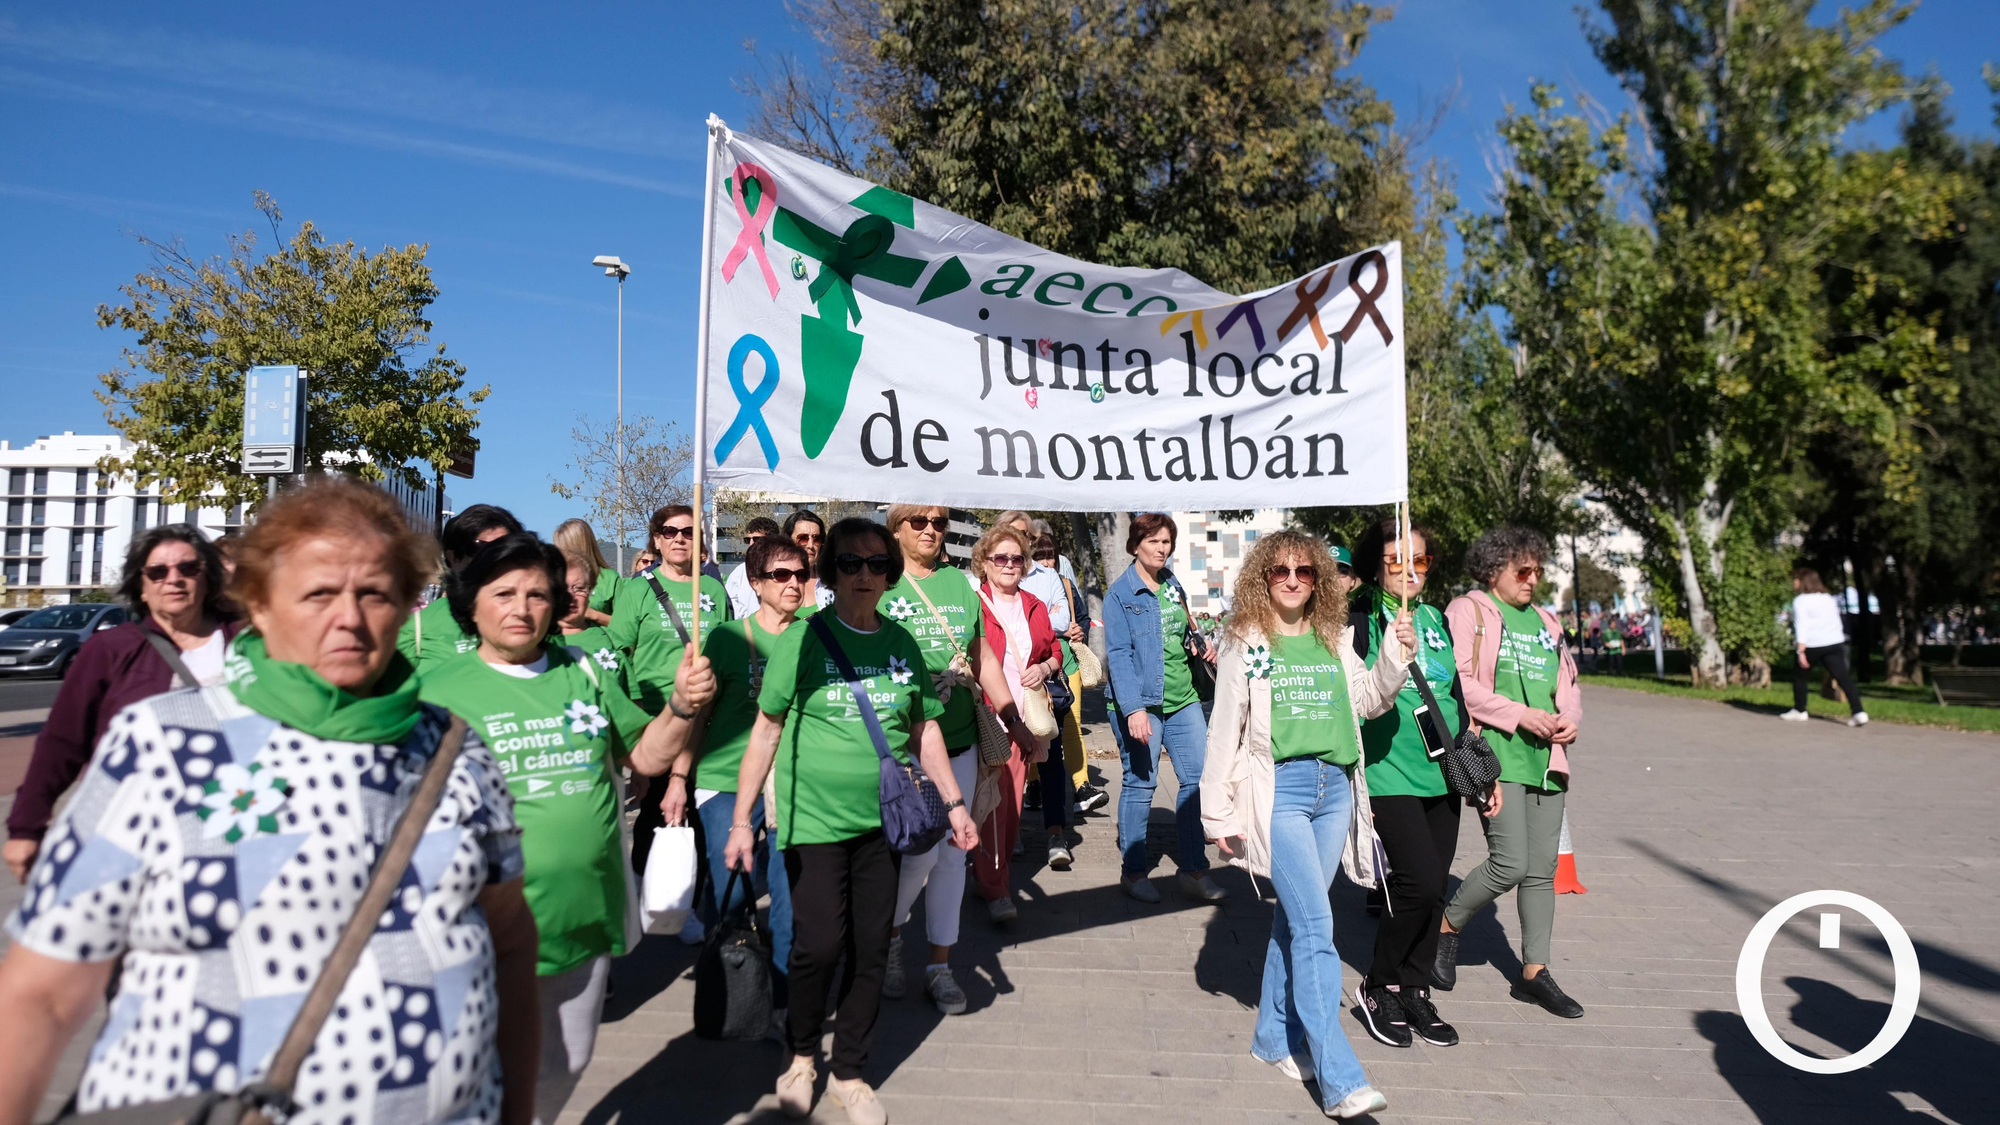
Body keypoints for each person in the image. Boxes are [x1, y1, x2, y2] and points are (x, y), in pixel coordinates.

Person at [0, 476, 539, 1125]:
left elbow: (510, 943)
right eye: (319, 593)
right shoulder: (161, 744)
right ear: (258, 605)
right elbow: (43, 995)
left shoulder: (454, 748)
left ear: (404, 605)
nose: (349, 616)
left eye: (374, 592)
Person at [418, 531, 690, 1124]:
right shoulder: (436, 693)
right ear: (472, 603)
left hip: (582, 916)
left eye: (538, 594)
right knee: (473, 1073)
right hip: (478, 928)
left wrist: (682, 708)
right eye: (504, 593)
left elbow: (642, 756)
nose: (521, 608)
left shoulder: (585, 671)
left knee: (567, 1061)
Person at [726, 517, 979, 1125]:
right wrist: (741, 820)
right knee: (818, 946)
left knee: (870, 949)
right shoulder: (803, 640)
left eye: (874, 563)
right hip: (811, 822)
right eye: (848, 562)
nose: (863, 574)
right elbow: (765, 730)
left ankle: (850, 1073)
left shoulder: (899, 641)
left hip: (881, 826)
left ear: (888, 572)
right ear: (829, 572)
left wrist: (956, 803)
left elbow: (924, 728)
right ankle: (801, 1053)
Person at [1201, 530, 1407, 1119]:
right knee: (1318, 927)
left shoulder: (1333, 639)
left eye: (1305, 571)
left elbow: (1367, 700)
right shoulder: (1246, 641)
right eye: (1280, 571)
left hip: (1334, 790)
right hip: (1280, 794)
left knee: (1296, 921)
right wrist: (1217, 814)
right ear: (1262, 578)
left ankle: (1272, 1039)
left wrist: (1393, 655)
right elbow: (1224, 731)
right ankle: (1340, 1079)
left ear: (1320, 579)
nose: (1292, 580)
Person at [6, 525, 241, 881]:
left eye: (188, 569)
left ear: (206, 578)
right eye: (158, 572)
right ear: (141, 587)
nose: (173, 579)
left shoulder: (247, 643)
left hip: (229, 827)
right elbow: (62, 741)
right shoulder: (110, 650)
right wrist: (26, 827)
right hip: (126, 833)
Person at [1349, 518, 1500, 1050]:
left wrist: (1478, 770)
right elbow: (1356, 690)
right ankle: (1376, 983)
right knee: (1416, 881)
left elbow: (1454, 695)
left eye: (1420, 560)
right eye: (1396, 559)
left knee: (1436, 886)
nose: (1409, 570)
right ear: (1377, 564)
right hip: (1388, 770)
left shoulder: (1435, 616)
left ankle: (1412, 988)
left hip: (1443, 772)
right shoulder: (1360, 616)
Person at [878, 504, 1032, 1015]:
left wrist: (1013, 720)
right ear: (896, 527)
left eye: (938, 522)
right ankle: (892, 941)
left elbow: (984, 656)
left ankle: (939, 966)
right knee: (917, 854)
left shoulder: (959, 585)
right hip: (904, 746)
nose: (929, 530)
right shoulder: (879, 580)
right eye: (917, 521)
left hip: (962, 739)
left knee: (951, 855)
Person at [655, 535, 806, 1023]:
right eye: (781, 575)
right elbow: (699, 716)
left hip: (791, 784)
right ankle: (738, 986)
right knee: (736, 892)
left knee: (786, 900)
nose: (794, 584)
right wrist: (679, 777)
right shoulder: (723, 638)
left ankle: (781, 1004)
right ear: (756, 583)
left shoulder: (816, 635)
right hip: (723, 779)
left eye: (801, 574)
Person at [1436, 527, 1585, 1019]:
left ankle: (1534, 972)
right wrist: (1518, 714)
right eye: (1523, 570)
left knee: (1542, 870)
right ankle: (1447, 924)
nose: (1532, 579)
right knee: (1511, 862)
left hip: (1548, 760)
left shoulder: (1546, 619)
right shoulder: (1469, 610)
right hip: (1497, 756)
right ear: (1493, 568)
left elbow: (1569, 683)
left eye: (1538, 570)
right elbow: (1457, 682)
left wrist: (1570, 720)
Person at [1102, 512, 1223, 903]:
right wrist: (1133, 709)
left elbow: (1185, 628)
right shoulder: (1120, 594)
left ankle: (1194, 869)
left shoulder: (1172, 583)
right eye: (1153, 541)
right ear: (1135, 545)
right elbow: (1117, 656)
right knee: (1142, 783)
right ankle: (1134, 872)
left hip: (1183, 698)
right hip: (1142, 702)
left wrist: (1201, 643)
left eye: (1166, 542)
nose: (1161, 549)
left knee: (1195, 781)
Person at [611, 505, 733, 876]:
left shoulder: (713, 587)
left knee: (698, 814)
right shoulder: (637, 590)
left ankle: (688, 900)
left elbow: (726, 648)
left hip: (708, 723)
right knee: (655, 813)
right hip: (657, 720)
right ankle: (647, 895)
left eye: (688, 531)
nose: (679, 538)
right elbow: (620, 657)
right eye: (669, 531)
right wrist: (635, 730)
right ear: (656, 540)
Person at [970, 525, 1063, 923]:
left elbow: (1056, 651)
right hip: (981, 716)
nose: (1009, 565)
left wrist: (1044, 667)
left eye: (1017, 559)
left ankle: (991, 878)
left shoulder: (1035, 605)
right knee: (987, 809)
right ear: (984, 563)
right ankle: (994, 888)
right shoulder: (972, 604)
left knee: (1008, 810)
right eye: (1000, 558)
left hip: (1023, 720)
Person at [398, 503, 525, 674]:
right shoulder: (417, 627)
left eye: (505, 549)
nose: (494, 559)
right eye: (480, 548)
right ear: (453, 558)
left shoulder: (531, 622)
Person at [1781, 568, 1866, 726]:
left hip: (1812, 644)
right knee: (1843, 678)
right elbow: (1835, 620)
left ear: (1803, 582)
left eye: (1796, 580)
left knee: (1800, 677)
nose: (1794, 583)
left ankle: (1800, 710)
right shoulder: (1828, 598)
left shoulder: (1800, 601)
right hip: (1834, 642)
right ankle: (1858, 711)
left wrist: (1801, 651)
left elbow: (1801, 626)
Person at [553, 517, 620, 627]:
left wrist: (592, 614)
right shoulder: (554, 578)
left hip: (602, 642)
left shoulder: (610, 579)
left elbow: (627, 626)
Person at [724, 516, 783, 617]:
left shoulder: (785, 570)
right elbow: (730, 604)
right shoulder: (739, 572)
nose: (751, 544)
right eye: (748, 540)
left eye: (756, 539)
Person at [782, 509, 837, 613]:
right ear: (788, 540)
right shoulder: (774, 580)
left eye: (816, 539)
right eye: (803, 538)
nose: (811, 545)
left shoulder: (832, 582)